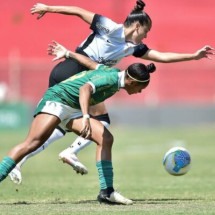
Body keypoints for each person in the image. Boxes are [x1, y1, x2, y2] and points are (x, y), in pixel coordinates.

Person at [9, 0, 215, 184]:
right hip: (72, 72)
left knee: (61, 127)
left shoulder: (134, 47)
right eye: (146, 31)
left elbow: (162, 56)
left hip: (88, 78)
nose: (147, 35)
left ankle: (24, 160)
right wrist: (48, 8)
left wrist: (193, 56)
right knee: (99, 122)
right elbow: (79, 11)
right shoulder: (108, 27)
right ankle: (70, 152)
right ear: (137, 26)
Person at [0, 40, 156, 205]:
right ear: (133, 81)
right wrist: (86, 116)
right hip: (58, 100)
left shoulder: (113, 74)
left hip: (72, 108)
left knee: (106, 139)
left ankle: (107, 192)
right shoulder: (111, 79)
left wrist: (68, 54)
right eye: (141, 88)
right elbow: (85, 89)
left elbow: (90, 63)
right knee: (31, 144)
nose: (139, 92)